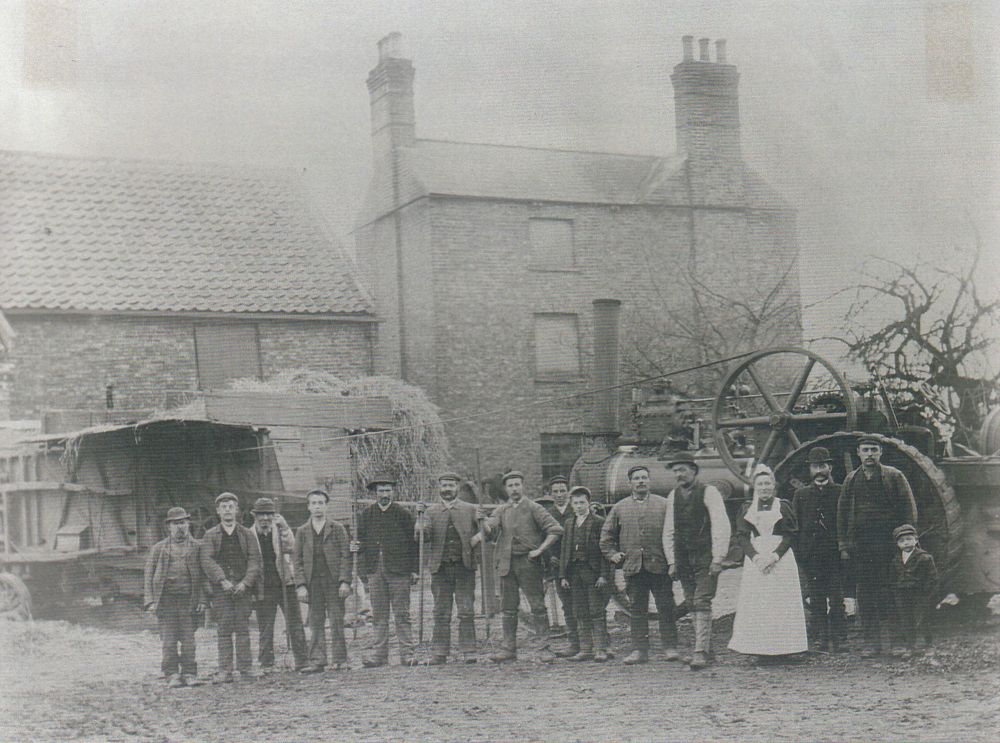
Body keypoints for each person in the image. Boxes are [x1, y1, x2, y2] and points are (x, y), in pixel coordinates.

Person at [838, 436, 918, 656]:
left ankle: (898, 643)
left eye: (874, 450)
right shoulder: (851, 480)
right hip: (862, 547)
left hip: (889, 546)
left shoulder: (894, 476)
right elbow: (842, 514)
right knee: (866, 595)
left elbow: (908, 510)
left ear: (880, 453)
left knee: (893, 592)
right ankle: (870, 643)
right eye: (865, 450)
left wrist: (907, 541)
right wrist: (844, 545)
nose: (870, 454)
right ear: (858, 453)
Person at [475, 470, 564, 663]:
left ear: (522, 486)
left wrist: (540, 550)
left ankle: (544, 647)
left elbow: (556, 529)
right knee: (508, 608)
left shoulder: (534, 508)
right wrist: (482, 521)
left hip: (528, 564)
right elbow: (490, 530)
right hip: (506, 563)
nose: (514, 489)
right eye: (510, 486)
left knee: (538, 607)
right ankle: (508, 648)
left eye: (517, 484)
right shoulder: (501, 510)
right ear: (506, 489)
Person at [600, 464, 678, 665]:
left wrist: (673, 561)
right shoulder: (620, 507)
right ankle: (639, 650)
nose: (641, 481)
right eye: (636, 478)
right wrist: (613, 554)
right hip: (634, 568)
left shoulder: (664, 504)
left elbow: (675, 534)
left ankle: (670, 647)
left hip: (659, 565)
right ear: (630, 483)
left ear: (649, 481)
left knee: (666, 607)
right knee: (637, 609)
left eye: (644, 478)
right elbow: (606, 536)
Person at [661, 452, 731, 669]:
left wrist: (718, 557)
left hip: (705, 557)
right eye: (675, 471)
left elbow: (721, 525)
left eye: (682, 469)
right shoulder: (673, 496)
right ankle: (707, 653)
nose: (678, 474)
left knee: (702, 600)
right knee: (691, 602)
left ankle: (700, 651)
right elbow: (669, 530)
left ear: (694, 470)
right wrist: (672, 560)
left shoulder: (709, 492)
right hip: (684, 558)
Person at [729, 466, 808, 658]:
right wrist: (755, 557)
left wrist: (775, 556)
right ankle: (759, 649)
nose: (764, 488)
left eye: (768, 483)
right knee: (759, 602)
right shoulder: (747, 508)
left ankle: (786, 649)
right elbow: (741, 536)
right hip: (756, 558)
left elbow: (791, 535)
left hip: (780, 558)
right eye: (760, 484)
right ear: (755, 487)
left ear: (774, 486)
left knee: (781, 601)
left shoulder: (783, 505)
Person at [354, 474, 419, 667]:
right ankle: (379, 655)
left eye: (388, 490)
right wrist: (357, 550)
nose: (384, 494)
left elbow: (413, 544)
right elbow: (361, 544)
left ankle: (407, 654)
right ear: (375, 493)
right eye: (381, 491)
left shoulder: (403, 514)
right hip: (375, 571)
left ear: (393, 492)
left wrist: (414, 570)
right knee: (379, 615)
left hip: (399, 571)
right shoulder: (366, 515)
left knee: (402, 614)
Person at [415, 471, 480, 664]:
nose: (447, 489)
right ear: (439, 488)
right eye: (444, 485)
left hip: (464, 567)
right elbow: (422, 537)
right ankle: (439, 652)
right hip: (440, 569)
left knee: (466, 610)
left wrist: (481, 531)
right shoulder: (430, 511)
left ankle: (469, 650)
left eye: (451, 485)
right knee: (441, 612)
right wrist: (419, 521)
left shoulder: (470, 509)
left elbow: (488, 531)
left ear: (457, 488)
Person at [200, 492, 263, 682]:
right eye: (223, 507)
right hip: (222, 590)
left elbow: (255, 560)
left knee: (243, 629)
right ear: (218, 511)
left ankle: (246, 669)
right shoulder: (210, 535)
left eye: (231, 506)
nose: (227, 510)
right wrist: (222, 580)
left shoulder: (247, 534)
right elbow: (207, 560)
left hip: (242, 589)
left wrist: (246, 583)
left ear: (237, 510)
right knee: (224, 630)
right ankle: (225, 670)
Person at [143, 507, 206, 688]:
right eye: (176, 523)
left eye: (183, 522)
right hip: (166, 601)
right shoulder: (159, 549)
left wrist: (202, 599)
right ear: (168, 527)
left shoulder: (197, 547)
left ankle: (189, 673)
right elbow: (148, 575)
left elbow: (203, 576)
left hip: (189, 600)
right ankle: (171, 674)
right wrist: (150, 600)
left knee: (188, 640)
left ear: (188, 524)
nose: (180, 527)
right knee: (168, 640)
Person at [792, 447, 846, 652]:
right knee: (816, 598)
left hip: (834, 554)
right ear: (810, 470)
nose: (820, 470)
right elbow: (796, 525)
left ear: (830, 467)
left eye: (823, 465)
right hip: (811, 555)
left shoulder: (840, 491)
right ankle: (820, 638)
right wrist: (800, 553)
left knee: (836, 597)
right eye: (815, 466)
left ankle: (840, 638)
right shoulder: (801, 494)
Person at [293, 489, 353, 673]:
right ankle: (317, 660)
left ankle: (340, 660)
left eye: (321, 503)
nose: (317, 507)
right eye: (314, 503)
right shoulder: (302, 531)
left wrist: (344, 581)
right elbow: (297, 560)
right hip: (313, 583)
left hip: (333, 581)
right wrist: (301, 585)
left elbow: (345, 556)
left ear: (326, 506)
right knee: (315, 621)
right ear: (308, 507)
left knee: (336, 620)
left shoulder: (338, 528)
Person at [250, 497, 308, 672]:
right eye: (261, 515)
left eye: (269, 514)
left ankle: (303, 661)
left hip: (285, 584)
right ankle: (267, 663)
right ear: (255, 516)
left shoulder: (280, 530)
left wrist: (284, 527)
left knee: (295, 623)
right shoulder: (249, 534)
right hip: (263, 586)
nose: (265, 519)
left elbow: (293, 547)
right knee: (266, 627)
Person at [558, 486, 612, 662]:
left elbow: (604, 551)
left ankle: (601, 649)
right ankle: (585, 649)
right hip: (574, 574)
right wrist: (563, 576)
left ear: (589, 503)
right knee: (579, 611)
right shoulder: (568, 523)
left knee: (596, 611)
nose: (579, 506)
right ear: (571, 505)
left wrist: (604, 575)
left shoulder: (598, 521)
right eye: (576, 503)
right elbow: (565, 550)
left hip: (593, 574)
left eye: (582, 502)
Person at [541, 475, 579, 658]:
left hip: (578, 565)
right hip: (558, 567)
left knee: (585, 603)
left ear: (568, 492)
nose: (559, 495)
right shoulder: (546, 514)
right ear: (550, 494)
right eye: (555, 492)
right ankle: (574, 643)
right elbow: (541, 538)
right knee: (568, 604)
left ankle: (591, 641)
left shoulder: (577, 509)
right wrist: (550, 556)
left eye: (562, 491)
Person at [890, 523, 938, 656]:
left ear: (916, 540)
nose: (906, 543)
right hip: (902, 595)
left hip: (919, 595)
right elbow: (892, 578)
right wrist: (896, 591)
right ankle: (910, 647)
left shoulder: (924, 557)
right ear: (897, 544)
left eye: (909, 539)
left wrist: (927, 594)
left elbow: (932, 578)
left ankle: (928, 645)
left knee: (922, 619)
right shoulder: (896, 560)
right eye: (902, 541)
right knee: (906, 620)